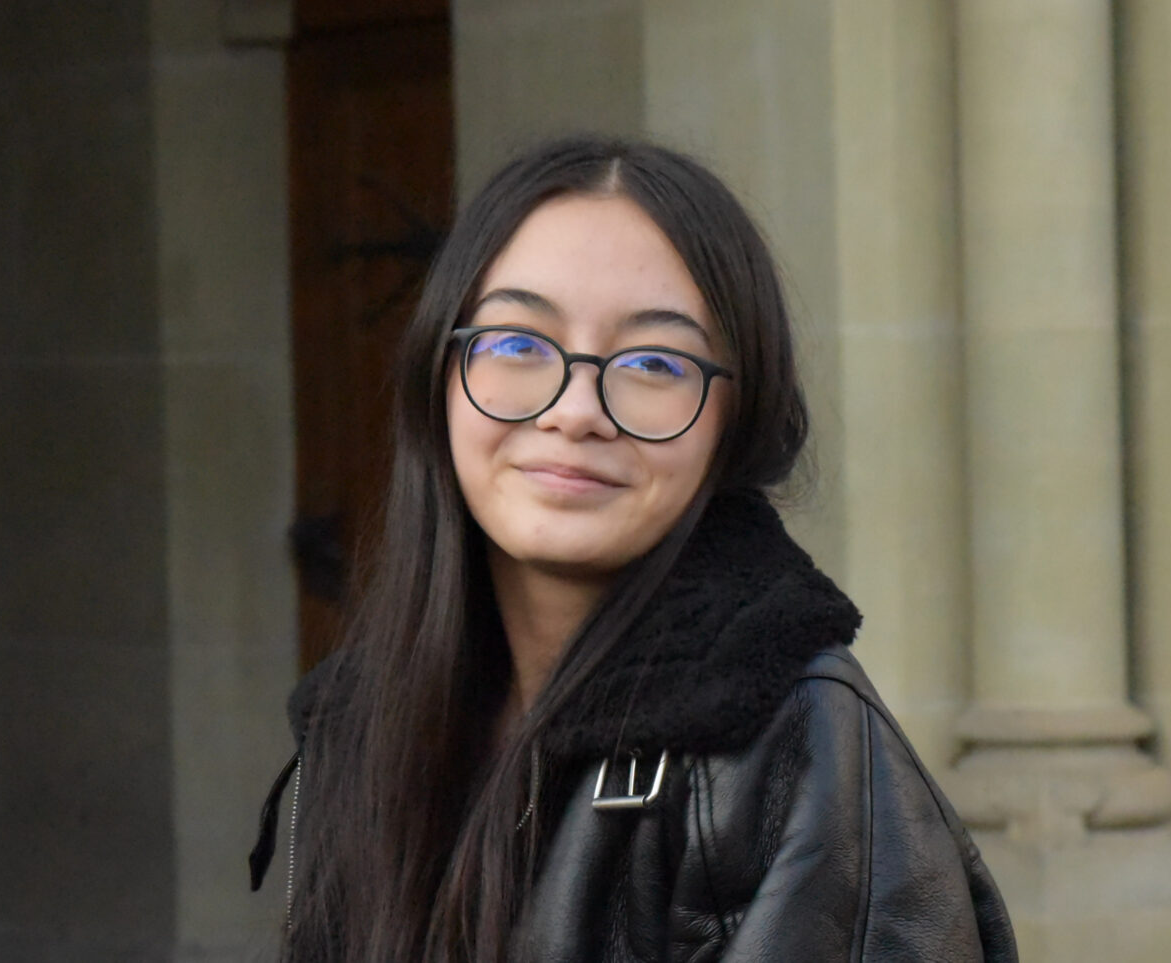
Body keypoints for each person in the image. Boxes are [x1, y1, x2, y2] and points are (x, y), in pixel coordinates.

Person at [249, 137, 1016, 962]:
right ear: (439, 376)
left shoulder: (795, 747)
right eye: (516, 344)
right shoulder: (365, 728)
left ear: (734, 420)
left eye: (654, 360)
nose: (577, 409)